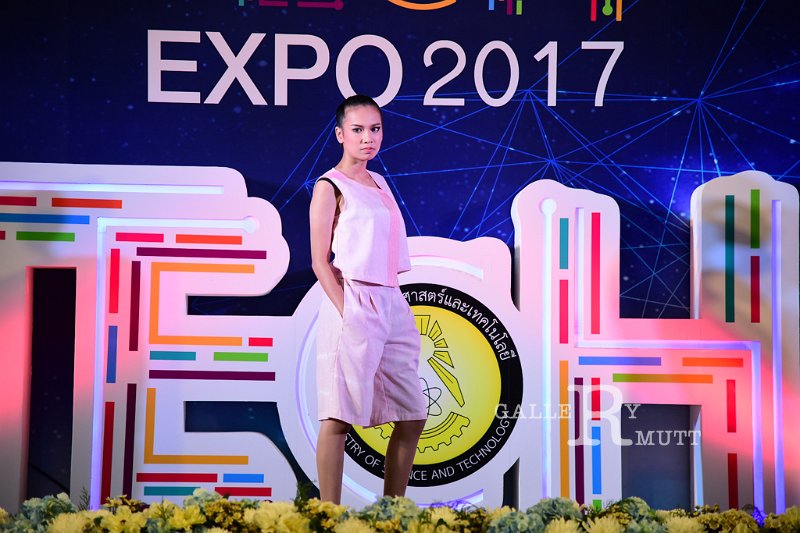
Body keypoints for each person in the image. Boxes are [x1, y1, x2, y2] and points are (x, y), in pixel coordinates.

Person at [309, 95, 427, 504]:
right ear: (340, 134)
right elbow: (319, 261)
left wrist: (388, 305)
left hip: (391, 299)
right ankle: (328, 516)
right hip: (354, 297)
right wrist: (348, 311)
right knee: (339, 416)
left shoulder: (380, 182)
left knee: (412, 414)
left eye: (375, 129)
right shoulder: (329, 186)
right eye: (357, 130)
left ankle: (392, 512)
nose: (368, 138)